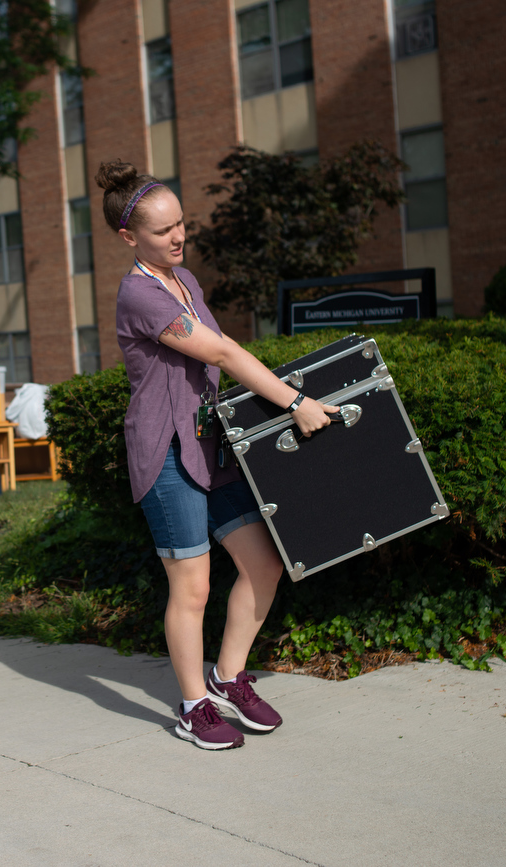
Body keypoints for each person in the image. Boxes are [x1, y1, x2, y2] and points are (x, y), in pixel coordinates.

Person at [99, 159, 337, 750]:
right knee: (193, 588)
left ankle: (227, 678)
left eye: (182, 223)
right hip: (167, 455)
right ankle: (192, 706)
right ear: (130, 238)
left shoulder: (185, 281)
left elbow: (222, 354)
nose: (178, 236)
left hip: (211, 447)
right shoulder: (141, 294)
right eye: (163, 231)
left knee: (264, 564)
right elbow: (225, 354)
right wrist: (295, 401)